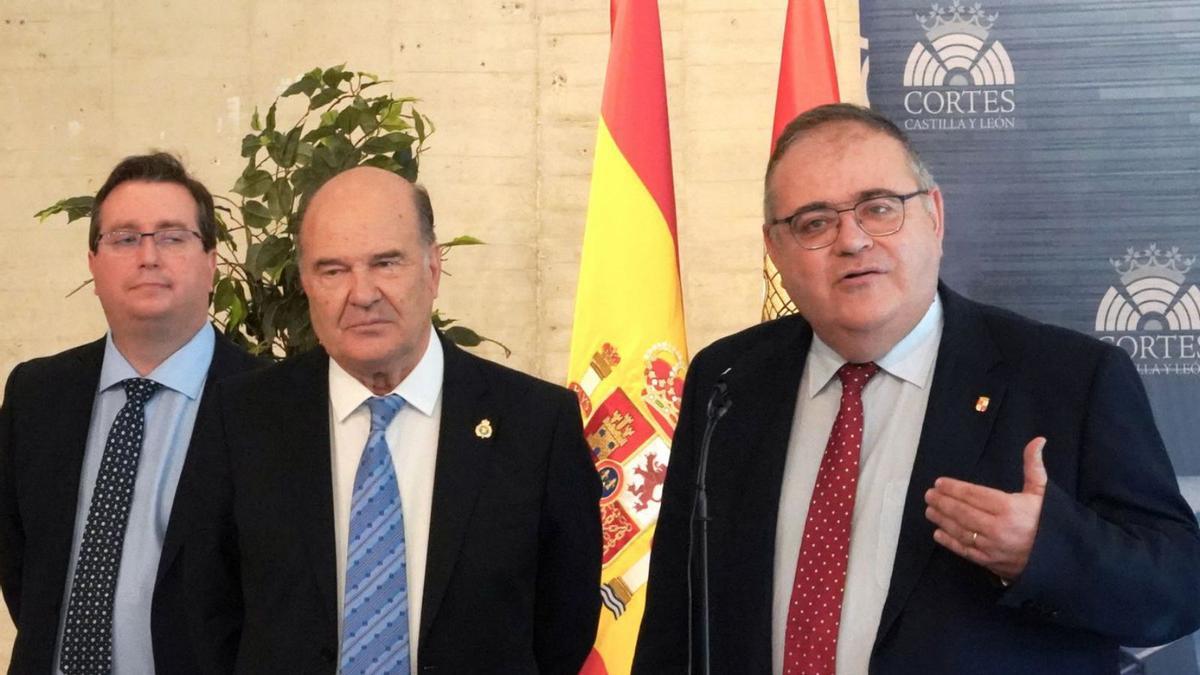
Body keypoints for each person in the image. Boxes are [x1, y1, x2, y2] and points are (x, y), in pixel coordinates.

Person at [633, 103, 1200, 674]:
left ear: (934, 215)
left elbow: (1179, 588)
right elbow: (676, 615)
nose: (852, 241)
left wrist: (1045, 550)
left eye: (879, 209)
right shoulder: (728, 380)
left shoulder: (1070, 379)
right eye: (814, 222)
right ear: (775, 250)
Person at [184, 166, 601, 674]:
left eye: (386, 263)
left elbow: (565, 625)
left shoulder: (536, 424)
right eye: (332, 270)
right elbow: (203, 614)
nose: (362, 293)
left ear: (432, 269)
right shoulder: (241, 420)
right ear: (306, 284)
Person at [0, 153, 261, 674]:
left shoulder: (269, 404)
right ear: (93, 264)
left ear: (211, 261)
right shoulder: (35, 394)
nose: (148, 256)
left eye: (172, 236)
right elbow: (23, 567)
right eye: (125, 238)